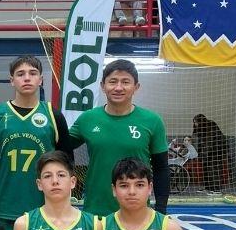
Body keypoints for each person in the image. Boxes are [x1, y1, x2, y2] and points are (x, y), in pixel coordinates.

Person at [0, 54, 73, 230]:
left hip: (45, 210)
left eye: (33, 73)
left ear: (41, 79)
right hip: (6, 208)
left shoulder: (53, 115)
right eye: (20, 74)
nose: (27, 78)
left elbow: (67, 162)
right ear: (11, 80)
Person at [69, 58, 170, 217]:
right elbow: (61, 145)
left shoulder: (152, 121)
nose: (118, 87)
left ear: (136, 87)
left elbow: (161, 168)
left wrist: (161, 210)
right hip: (95, 212)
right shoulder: (87, 119)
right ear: (103, 86)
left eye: (125, 82)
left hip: (137, 214)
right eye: (113, 81)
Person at [192, 114, 228, 194]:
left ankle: (216, 190)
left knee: (214, 169)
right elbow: (199, 141)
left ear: (201, 122)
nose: (195, 124)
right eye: (194, 122)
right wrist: (201, 154)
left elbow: (210, 142)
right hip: (208, 151)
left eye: (196, 122)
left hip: (217, 151)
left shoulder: (211, 126)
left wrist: (204, 154)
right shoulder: (200, 129)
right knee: (206, 169)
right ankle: (208, 188)